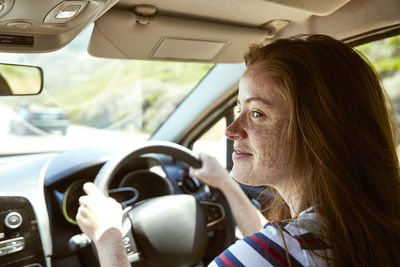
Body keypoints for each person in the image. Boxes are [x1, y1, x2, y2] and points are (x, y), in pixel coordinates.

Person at [77, 34, 400, 266]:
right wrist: (226, 184)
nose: (232, 131)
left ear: (320, 134)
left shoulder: (285, 251)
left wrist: (108, 237)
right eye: (238, 110)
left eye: (257, 113)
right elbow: (273, 247)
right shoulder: (363, 227)